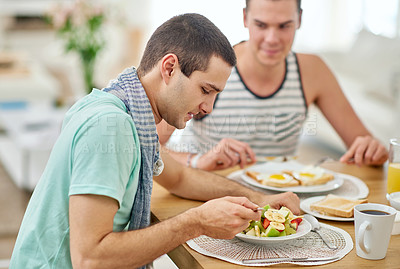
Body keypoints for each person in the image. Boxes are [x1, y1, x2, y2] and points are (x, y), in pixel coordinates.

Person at [10, 13, 300, 269]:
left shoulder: (129, 113)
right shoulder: (111, 126)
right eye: (205, 90)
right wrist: (196, 222)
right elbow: (90, 259)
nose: (208, 108)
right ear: (170, 67)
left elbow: (181, 178)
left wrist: (259, 199)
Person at [157, 0, 389, 171]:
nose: (272, 39)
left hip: (279, 201)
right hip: (208, 193)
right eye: (261, 24)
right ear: (245, 18)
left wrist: (373, 151)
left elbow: (367, 148)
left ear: (300, 20)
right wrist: (197, 161)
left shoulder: (312, 71)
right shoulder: (211, 67)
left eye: (284, 26)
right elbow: (150, 148)